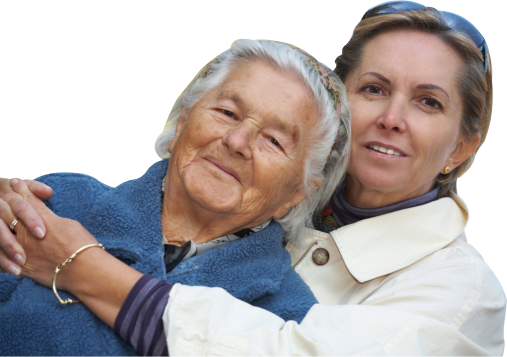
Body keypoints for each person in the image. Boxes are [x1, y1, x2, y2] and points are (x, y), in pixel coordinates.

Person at [1, 2, 505, 356]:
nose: (392, 117)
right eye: (373, 88)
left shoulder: (459, 291)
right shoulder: (60, 201)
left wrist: (84, 268)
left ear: (461, 147)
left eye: (428, 102)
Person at [0, 39, 349, 356]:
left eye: (274, 140)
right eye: (227, 113)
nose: (237, 141)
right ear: (184, 119)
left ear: (298, 191)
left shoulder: (289, 320)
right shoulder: (57, 202)